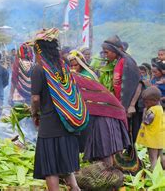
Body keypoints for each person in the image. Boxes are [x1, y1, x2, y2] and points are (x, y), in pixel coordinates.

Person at [30, 28, 86, 191]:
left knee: (50, 167)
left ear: (38, 50)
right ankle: (75, 188)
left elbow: (35, 98)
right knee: (65, 162)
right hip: (67, 122)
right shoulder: (63, 68)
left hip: (49, 125)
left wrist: (34, 113)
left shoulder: (39, 69)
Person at [73, 73, 130, 166]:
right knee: (99, 152)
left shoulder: (71, 78)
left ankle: (108, 176)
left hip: (105, 113)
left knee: (105, 151)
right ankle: (106, 174)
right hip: (100, 113)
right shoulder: (73, 77)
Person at [101, 35, 142, 142]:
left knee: (129, 135)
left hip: (128, 108)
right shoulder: (118, 61)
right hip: (120, 106)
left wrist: (131, 105)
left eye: (107, 52)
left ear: (114, 51)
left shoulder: (127, 62)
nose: (105, 55)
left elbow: (139, 83)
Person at [136, 86, 165, 169]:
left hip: (152, 139)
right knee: (160, 156)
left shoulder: (152, 111)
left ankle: (154, 174)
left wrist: (145, 112)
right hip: (159, 137)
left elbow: (146, 121)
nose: (145, 104)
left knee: (153, 157)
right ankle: (162, 171)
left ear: (154, 101)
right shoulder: (160, 108)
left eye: (146, 102)